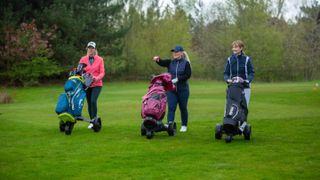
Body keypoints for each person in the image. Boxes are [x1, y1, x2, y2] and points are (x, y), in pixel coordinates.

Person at [153, 45, 192, 132]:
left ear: (181, 53)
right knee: (171, 107)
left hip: (183, 90)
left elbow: (188, 75)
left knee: (183, 107)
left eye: (176, 52)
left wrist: (178, 79)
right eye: (174, 52)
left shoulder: (186, 63)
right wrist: (157, 59)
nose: (175, 53)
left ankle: (184, 125)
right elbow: (162, 62)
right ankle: (170, 124)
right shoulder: (170, 62)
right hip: (171, 90)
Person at [79, 41, 105, 128]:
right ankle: (92, 121)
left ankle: (95, 119)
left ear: (95, 49)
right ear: (87, 49)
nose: (90, 50)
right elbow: (79, 70)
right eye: (89, 48)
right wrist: (81, 75)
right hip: (86, 84)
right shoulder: (83, 59)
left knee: (93, 101)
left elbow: (102, 73)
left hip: (97, 84)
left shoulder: (100, 59)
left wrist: (96, 78)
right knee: (89, 103)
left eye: (92, 48)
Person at [223, 40, 254, 107]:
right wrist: (228, 80)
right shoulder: (229, 59)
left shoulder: (247, 59)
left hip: (245, 87)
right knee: (230, 107)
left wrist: (247, 81)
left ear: (241, 48)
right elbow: (226, 73)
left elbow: (251, 73)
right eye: (233, 47)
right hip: (232, 87)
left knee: (243, 107)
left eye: (236, 47)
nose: (234, 49)